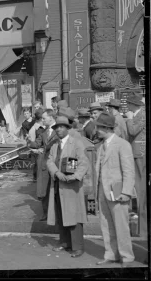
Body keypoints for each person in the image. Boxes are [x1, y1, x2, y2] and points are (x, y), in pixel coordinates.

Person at [94, 112, 135, 266]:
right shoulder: (101, 147)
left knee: (121, 226)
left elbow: (128, 171)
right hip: (103, 192)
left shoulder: (123, 145)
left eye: (99, 127)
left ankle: (127, 257)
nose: (97, 130)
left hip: (118, 192)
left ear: (107, 128)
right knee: (106, 225)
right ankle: (111, 254)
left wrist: (126, 192)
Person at [46, 116, 90, 258]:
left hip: (72, 186)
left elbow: (83, 163)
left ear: (67, 129)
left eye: (61, 127)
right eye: (56, 127)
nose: (58, 129)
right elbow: (49, 161)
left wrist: (74, 176)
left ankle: (77, 247)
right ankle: (65, 242)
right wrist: (57, 173)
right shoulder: (54, 145)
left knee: (74, 215)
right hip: (58, 185)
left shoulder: (76, 143)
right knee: (61, 214)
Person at [27, 109, 59, 221]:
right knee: (44, 189)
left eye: (44, 118)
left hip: (56, 164)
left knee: (56, 190)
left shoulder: (59, 130)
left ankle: (56, 213)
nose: (42, 120)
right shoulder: (44, 132)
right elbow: (37, 143)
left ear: (51, 117)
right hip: (44, 165)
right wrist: (29, 142)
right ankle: (46, 213)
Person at [125, 95, 147, 239]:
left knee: (141, 189)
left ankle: (143, 230)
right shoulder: (140, 114)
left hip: (140, 154)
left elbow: (133, 131)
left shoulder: (141, 115)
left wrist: (129, 118)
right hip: (137, 152)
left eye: (129, 105)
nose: (127, 108)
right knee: (139, 189)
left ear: (134, 105)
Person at [28, 109, 45, 182]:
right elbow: (32, 144)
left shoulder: (42, 128)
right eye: (44, 118)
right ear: (41, 119)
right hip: (37, 154)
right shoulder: (34, 129)